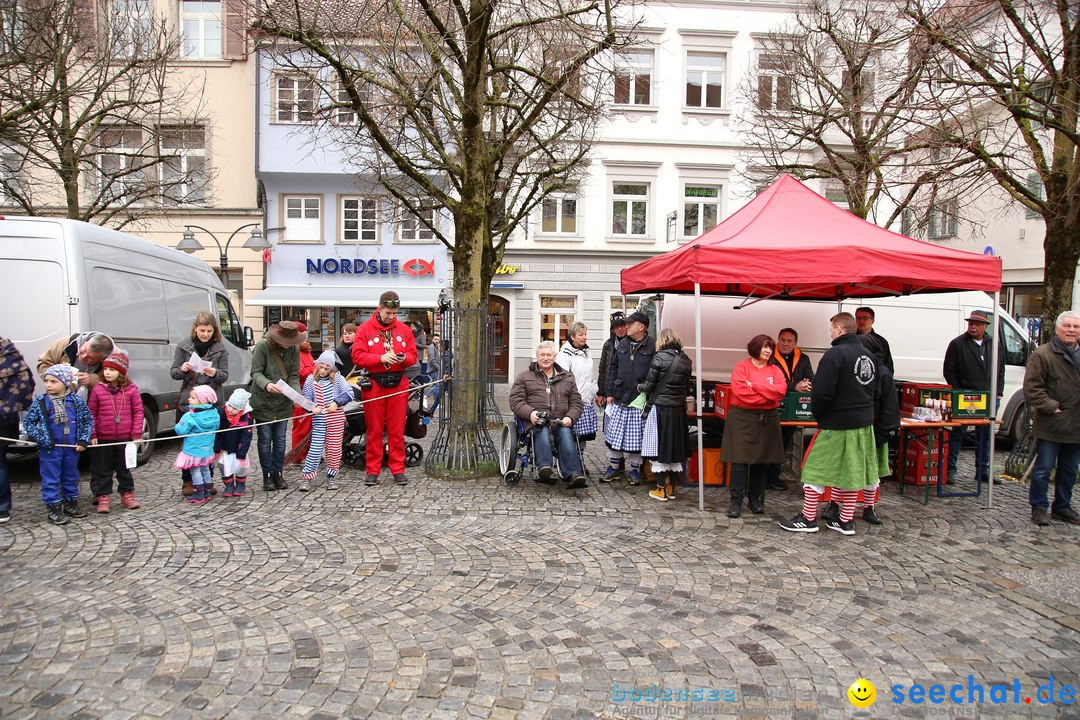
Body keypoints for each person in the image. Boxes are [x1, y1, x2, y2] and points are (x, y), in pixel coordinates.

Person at [781, 312, 879, 535]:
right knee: (851, 472)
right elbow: (876, 391)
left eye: (831, 329)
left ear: (838, 329)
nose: (830, 333)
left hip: (836, 424)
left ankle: (807, 518)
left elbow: (822, 393)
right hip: (863, 424)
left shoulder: (835, 355)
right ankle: (845, 521)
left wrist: (821, 417)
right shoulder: (869, 356)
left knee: (814, 469)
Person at [822, 333, 900, 526]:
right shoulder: (856, 368)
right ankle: (834, 504)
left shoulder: (882, 373)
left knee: (869, 473)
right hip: (852, 429)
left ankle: (869, 507)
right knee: (843, 470)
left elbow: (890, 408)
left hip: (872, 431)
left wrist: (880, 435)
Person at [352, 291, 417, 486]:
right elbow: (357, 356)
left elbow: (413, 355)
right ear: (379, 309)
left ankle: (398, 469)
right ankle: (373, 470)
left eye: (394, 313)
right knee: (375, 430)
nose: (391, 316)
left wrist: (405, 358)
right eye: (388, 312)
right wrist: (379, 358)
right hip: (374, 384)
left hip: (398, 384)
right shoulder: (364, 329)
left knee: (397, 429)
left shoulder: (404, 330)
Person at [1023, 310, 1080, 526]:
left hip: (1076, 425)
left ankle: (1062, 507)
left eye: (1076, 327)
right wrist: (1051, 407)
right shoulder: (1042, 354)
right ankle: (1039, 507)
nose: (1072, 330)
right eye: (1067, 326)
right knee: (1044, 469)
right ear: (1057, 329)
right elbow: (1032, 388)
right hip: (1052, 423)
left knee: (1069, 470)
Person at [22, 364, 93, 525]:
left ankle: (71, 503)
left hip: (71, 448)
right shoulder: (41, 402)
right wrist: (42, 439)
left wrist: (83, 439)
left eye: (53, 381)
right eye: (46, 381)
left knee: (71, 475)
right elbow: (29, 422)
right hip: (51, 449)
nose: (48, 385)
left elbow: (87, 420)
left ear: (65, 383)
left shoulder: (76, 401)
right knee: (51, 478)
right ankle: (53, 508)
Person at [725, 335, 787, 518]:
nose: (768, 351)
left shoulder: (775, 370)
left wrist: (756, 386)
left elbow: (781, 391)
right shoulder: (742, 367)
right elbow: (741, 392)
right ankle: (735, 501)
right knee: (740, 460)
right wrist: (767, 396)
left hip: (767, 418)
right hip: (742, 417)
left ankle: (755, 499)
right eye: (765, 347)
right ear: (755, 347)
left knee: (761, 460)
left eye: (770, 348)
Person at [509, 341, 586, 488]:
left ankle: (574, 474)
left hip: (560, 421)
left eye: (549, 355)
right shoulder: (524, 377)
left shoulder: (567, 377)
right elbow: (515, 400)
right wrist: (530, 413)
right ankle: (544, 467)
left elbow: (576, 402)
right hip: (535, 420)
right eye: (542, 355)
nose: (545, 358)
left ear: (555, 356)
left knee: (565, 434)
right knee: (541, 430)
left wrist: (570, 417)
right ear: (536, 357)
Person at [943, 309, 1006, 486]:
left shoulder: (994, 344)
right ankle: (950, 470)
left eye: (977, 324)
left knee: (985, 436)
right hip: (965, 395)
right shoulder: (957, 344)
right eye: (971, 323)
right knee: (958, 434)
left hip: (988, 396)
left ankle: (983, 470)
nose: (973, 326)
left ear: (985, 326)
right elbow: (949, 370)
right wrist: (959, 391)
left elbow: (1000, 369)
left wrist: (997, 392)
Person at [170, 311, 229, 496]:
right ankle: (187, 480)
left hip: (211, 402)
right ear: (195, 328)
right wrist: (183, 369)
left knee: (209, 442)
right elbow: (173, 373)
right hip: (189, 401)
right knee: (188, 442)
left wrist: (214, 373)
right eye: (202, 330)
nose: (205, 334)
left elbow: (225, 376)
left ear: (214, 331)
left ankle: (207, 479)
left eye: (209, 331)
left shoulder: (220, 349)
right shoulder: (183, 346)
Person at [250, 320, 305, 492]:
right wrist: (266, 384)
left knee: (280, 440)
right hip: (263, 401)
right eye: (287, 343)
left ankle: (278, 472)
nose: (290, 346)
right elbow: (255, 372)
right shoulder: (262, 347)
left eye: (292, 343)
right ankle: (267, 475)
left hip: (282, 402)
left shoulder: (294, 349)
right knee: (265, 440)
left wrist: (297, 395)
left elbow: (294, 375)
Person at [638, 328, 692, 502]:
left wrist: (639, 387)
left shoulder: (659, 357)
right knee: (673, 447)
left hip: (660, 409)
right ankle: (671, 488)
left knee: (658, 448)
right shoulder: (686, 360)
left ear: (661, 341)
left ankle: (661, 489)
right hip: (678, 410)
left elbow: (649, 385)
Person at [601, 311, 655, 484]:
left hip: (638, 399)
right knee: (614, 434)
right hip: (618, 396)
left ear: (641, 327)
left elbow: (655, 373)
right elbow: (613, 369)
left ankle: (634, 470)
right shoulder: (623, 343)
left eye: (630, 324)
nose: (626, 327)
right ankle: (614, 468)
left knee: (636, 437)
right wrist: (609, 392)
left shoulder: (652, 346)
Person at [87, 350, 143, 513]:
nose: (107, 373)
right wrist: (93, 434)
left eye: (111, 369)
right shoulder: (98, 390)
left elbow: (138, 412)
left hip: (124, 437)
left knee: (123, 468)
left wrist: (136, 433)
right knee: (102, 469)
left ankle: (127, 494)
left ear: (121, 371)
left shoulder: (131, 390)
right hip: (104, 437)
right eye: (105, 370)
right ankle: (103, 496)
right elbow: (92, 413)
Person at [766, 327, 815, 491]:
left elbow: (810, 378)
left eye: (789, 341)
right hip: (773, 406)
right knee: (771, 443)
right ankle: (767, 476)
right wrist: (796, 386)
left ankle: (774, 475)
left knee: (784, 443)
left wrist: (807, 385)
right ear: (777, 340)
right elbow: (770, 383)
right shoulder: (770, 358)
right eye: (783, 340)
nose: (785, 344)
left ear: (796, 343)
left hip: (793, 410)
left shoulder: (803, 358)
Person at [299, 350, 353, 491]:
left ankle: (331, 477)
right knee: (315, 449)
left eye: (326, 368)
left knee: (334, 450)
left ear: (332, 368)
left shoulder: (338, 379)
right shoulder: (311, 380)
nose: (323, 371)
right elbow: (305, 399)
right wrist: (311, 408)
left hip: (336, 420)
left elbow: (349, 393)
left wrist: (337, 402)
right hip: (319, 421)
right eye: (321, 367)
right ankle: (307, 477)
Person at [0, 336, 34, 524]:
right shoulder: (12, 354)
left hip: (3, 420)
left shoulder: (10, 356)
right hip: (6, 417)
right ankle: (2, 507)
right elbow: (26, 387)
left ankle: (2, 506)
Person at [557, 322, 599, 460]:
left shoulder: (587, 352)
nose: (584, 337)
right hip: (573, 402)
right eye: (581, 334)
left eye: (585, 334)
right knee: (570, 434)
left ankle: (579, 461)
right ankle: (568, 462)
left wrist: (594, 391)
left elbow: (590, 376)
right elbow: (563, 379)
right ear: (572, 336)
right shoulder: (564, 354)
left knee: (582, 436)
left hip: (586, 400)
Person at [173, 385, 220, 505]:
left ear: (202, 400)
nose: (189, 400)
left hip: (193, 450)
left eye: (193, 398)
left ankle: (199, 494)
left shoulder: (190, 416)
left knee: (195, 471)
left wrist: (178, 425)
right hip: (207, 449)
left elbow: (180, 430)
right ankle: (207, 491)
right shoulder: (214, 414)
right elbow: (216, 427)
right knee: (205, 469)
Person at [36, 331, 114, 395]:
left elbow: (115, 384)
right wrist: (56, 378)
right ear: (85, 342)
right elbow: (43, 362)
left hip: (89, 406)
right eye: (84, 350)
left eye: (90, 358)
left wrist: (93, 380)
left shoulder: (112, 361)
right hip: (58, 400)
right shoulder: (65, 343)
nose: (83, 356)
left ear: (101, 360)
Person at [215, 389, 254, 498]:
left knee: (240, 467)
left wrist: (242, 451)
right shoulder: (221, 414)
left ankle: (241, 484)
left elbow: (246, 436)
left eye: (235, 408)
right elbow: (217, 432)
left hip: (238, 447)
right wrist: (217, 447)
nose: (231, 410)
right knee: (224, 467)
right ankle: (229, 485)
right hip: (225, 447)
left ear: (241, 410)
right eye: (230, 406)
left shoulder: (246, 418)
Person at [290, 322, 316, 462]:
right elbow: (300, 372)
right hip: (300, 393)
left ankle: (307, 453)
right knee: (301, 426)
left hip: (310, 393)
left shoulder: (305, 351)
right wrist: (315, 369)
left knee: (309, 426)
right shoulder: (296, 352)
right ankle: (298, 455)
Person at [596, 312, 627, 410]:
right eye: (616, 327)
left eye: (622, 326)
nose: (620, 329)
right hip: (609, 390)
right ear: (613, 329)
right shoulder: (608, 345)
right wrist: (600, 393)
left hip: (625, 392)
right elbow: (602, 369)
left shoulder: (632, 343)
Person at [855, 307, 894, 374]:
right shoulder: (850, 339)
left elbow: (888, 366)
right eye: (858, 318)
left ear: (873, 321)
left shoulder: (881, 341)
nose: (861, 321)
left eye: (865, 318)